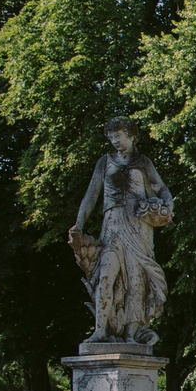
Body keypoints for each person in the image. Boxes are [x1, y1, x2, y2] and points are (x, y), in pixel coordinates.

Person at [69, 118, 174, 346]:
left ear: (131, 136)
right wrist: (78, 225)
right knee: (105, 276)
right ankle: (100, 331)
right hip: (112, 226)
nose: (115, 141)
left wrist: (167, 206)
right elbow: (91, 196)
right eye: (111, 137)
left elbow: (162, 188)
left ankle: (130, 334)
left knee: (137, 281)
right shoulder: (104, 162)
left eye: (119, 136)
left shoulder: (143, 162)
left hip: (138, 225)